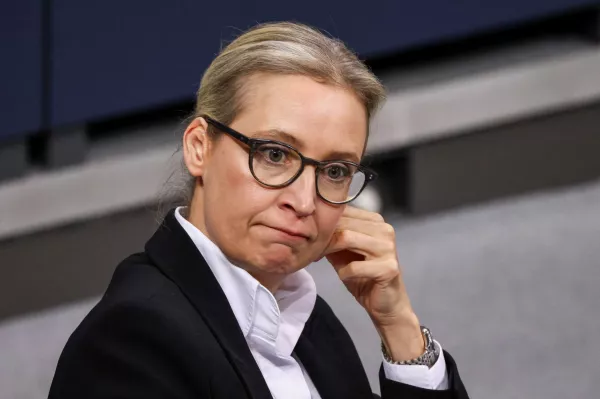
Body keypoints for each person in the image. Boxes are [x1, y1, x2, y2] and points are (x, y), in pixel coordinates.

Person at [48, 22, 469, 399]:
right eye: (274, 154)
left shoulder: (306, 317)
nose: (304, 202)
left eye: (336, 170)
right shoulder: (132, 342)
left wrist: (399, 327)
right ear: (200, 147)